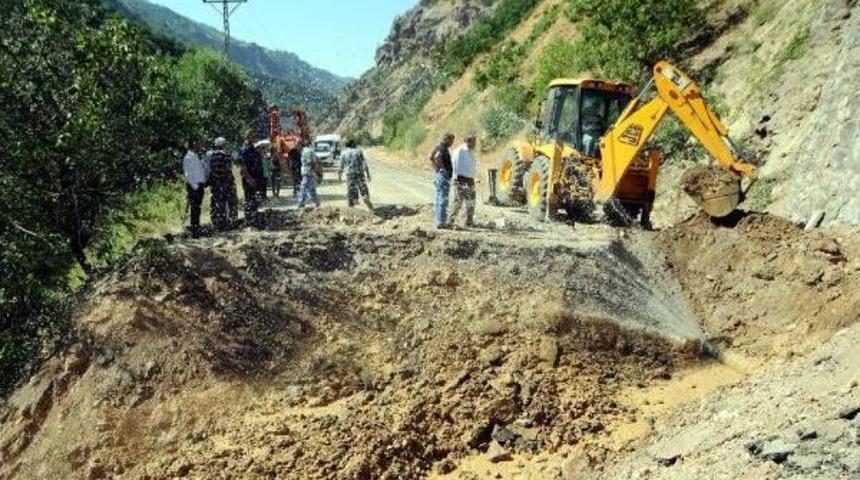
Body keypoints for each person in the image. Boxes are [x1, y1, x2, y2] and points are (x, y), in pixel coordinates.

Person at [207, 137, 238, 231]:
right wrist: (232, 182)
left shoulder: (210, 156)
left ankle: (218, 223)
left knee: (218, 203)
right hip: (226, 182)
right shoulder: (226, 155)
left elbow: (209, 170)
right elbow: (228, 170)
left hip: (215, 183)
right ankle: (232, 221)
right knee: (231, 202)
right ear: (223, 145)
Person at [449, 133, 479, 227]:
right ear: (468, 141)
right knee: (458, 200)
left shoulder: (471, 151)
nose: (475, 144)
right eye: (474, 142)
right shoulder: (460, 150)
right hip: (460, 178)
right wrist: (455, 178)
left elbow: (472, 164)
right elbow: (454, 165)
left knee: (471, 200)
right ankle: (451, 220)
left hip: (470, 179)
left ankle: (469, 221)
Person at [239, 129, 266, 227]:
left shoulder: (252, 148)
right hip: (250, 178)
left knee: (254, 200)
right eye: (253, 136)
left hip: (256, 177)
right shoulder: (244, 149)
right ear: (248, 137)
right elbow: (243, 166)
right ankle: (250, 221)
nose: (255, 138)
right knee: (249, 199)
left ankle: (254, 220)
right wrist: (249, 179)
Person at [183, 139, 208, 237]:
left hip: (199, 185)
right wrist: (195, 186)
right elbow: (187, 174)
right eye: (197, 144)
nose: (199, 146)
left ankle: (196, 226)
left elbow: (199, 170)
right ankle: (194, 229)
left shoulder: (196, 156)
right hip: (194, 186)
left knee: (197, 207)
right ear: (193, 145)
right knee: (194, 207)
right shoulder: (188, 157)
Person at [338, 139, 373, 209]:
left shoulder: (343, 153)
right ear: (354, 144)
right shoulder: (359, 152)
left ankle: (351, 207)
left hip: (349, 175)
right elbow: (364, 164)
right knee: (363, 188)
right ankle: (366, 198)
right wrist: (368, 174)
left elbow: (341, 166)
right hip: (359, 173)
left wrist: (339, 176)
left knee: (350, 191)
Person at [430, 133, 455, 229]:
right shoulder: (442, 148)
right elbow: (436, 157)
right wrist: (443, 169)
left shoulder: (438, 147)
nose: (452, 143)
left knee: (438, 197)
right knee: (443, 199)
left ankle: (438, 221)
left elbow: (431, 157)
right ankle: (441, 222)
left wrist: (436, 169)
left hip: (439, 175)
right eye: (451, 140)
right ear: (447, 140)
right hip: (443, 176)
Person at [298, 142, 321, 208]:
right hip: (309, 171)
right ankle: (316, 202)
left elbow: (310, 162)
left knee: (303, 187)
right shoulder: (309, 151)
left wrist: (313, 170)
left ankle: (301, 202)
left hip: (307, 171)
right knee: (311, 188)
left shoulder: (306, 151)